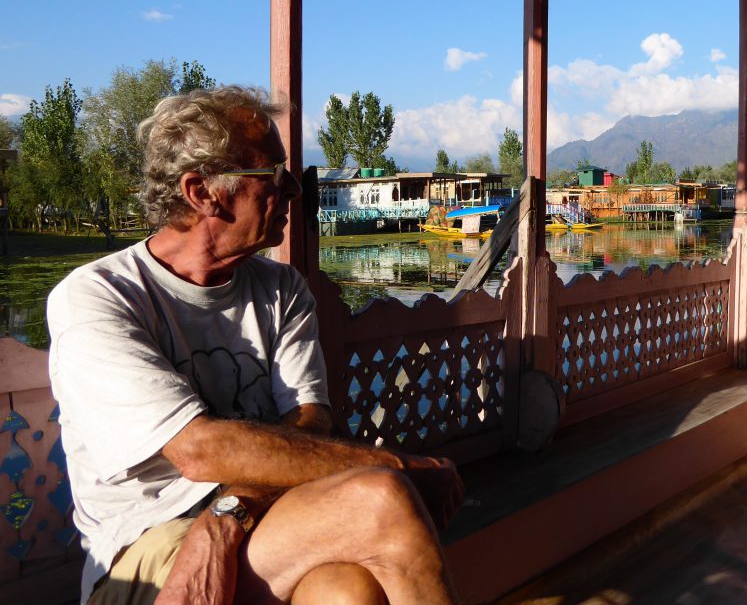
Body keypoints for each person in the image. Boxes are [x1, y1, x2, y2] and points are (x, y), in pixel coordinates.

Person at [47, 86, 463, 605]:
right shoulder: (99, 297)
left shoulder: (281, 290)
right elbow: (199, 450)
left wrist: (231, 513)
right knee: (381, 497)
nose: (293, 191)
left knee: (345, 590)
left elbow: (312, 426)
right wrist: (404, 467)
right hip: (146, 552)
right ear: (202, 192)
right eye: (274, 175)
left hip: (262, 516)